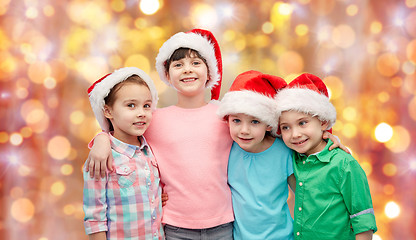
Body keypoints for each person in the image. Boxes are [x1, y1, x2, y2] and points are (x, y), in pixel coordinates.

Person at [86, 29, 235, 239]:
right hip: (174, 226)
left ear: (210, 71)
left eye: (196, 63)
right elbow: (120, 133)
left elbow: (254, 132)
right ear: (167, 75)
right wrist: (101, 139)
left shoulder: (225, 115)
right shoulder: (153, 119)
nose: (187, 70)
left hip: (223, 222)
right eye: (178, 64)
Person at [275, 73, 377, 240]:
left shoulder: (344, 165)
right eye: (285, 127)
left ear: (323, 122)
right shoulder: (292, 157)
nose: (295, 134)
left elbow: (362, 220)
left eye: (302, 123)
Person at [83, 67, 164, 239]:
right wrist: (101, 138)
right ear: (108, 111)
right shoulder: (101, 157)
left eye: (147, 105)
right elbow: (95, 215)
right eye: (131, 105)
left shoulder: (149, 150)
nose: (141, 113)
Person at [217, 70, 296, 240]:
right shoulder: (227, 148)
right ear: (227, 119)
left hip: (282, 237)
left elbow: (304, 195)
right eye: (236, 121)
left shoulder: (284, 151)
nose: (244, 131)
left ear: (269, 124)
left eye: (254, 121)